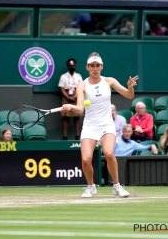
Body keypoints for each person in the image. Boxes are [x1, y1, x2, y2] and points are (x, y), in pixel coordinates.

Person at [61, 52, 139, 198]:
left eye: (97, 65)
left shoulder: (110, 81)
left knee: (109, 154)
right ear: (87, 67)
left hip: (106, 125)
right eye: (92, 66)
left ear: (101, 67)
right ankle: (91, 187)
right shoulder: (82, 86)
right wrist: (70, 107)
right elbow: (80, 109)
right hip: (90, 126)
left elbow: (129, 96)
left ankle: (117, 186)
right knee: (85, 159)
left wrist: (130, 87)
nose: (95, 68)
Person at [58, 58, 83, 140]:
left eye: (73, 66)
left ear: (75, 66)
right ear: (68, 67)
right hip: (66, 97)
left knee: (76, 117)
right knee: (66, 117)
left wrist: (76, 96)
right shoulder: (63, 76)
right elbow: (61, 88)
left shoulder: (78, 76)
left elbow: (81, 87)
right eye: (70, 66)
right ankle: (64, 136)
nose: (72, 67)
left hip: (76, 97)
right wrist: (68, 97)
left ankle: (77, 135)